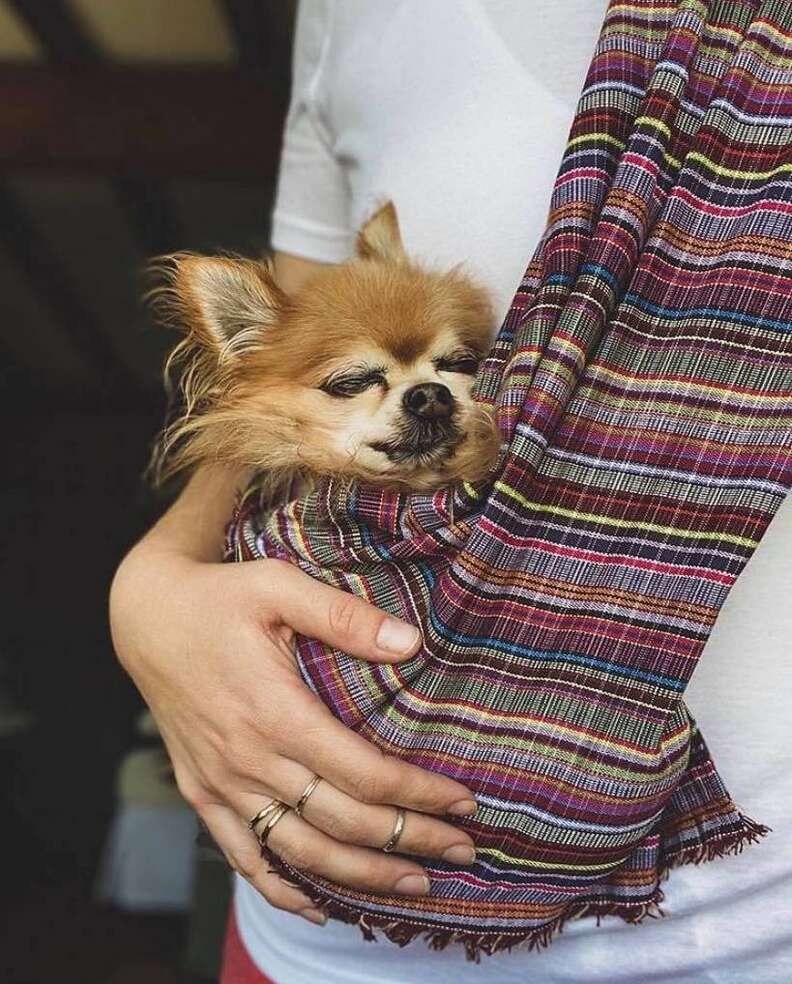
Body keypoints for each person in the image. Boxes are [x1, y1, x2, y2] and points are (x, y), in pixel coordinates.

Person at [110, 2, 792, 982]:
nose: (425, 393)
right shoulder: (348, 14)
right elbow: (258, 388)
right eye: (363, 379)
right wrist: (153, 584)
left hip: (747, 935)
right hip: (327, 948)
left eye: (452, 365)